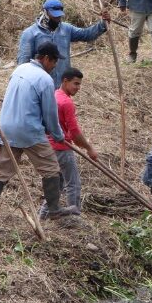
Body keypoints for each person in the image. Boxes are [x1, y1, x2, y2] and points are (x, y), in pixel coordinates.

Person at [0, 42, 70, 222]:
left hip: (6, 127)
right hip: (29, 131)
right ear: (46, 59)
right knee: (51, 170)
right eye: (54, 61)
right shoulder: (45, 79)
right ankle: (54, 210)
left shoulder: (20, 69)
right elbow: (49, 113)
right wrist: (58, 135)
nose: (55, 66)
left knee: (1, 172)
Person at [41, 67, 97, 228]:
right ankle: (75, 218)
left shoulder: (53, 97)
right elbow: (74, 132)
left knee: (56, 185)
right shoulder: (66, 102)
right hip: (62, 148)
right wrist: (89, 148)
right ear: (65, 81)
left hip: (48, 146)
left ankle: (43, 217)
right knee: (72, 183)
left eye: (79, 85)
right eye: (75, 84)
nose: (78, 88)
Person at [17, 0, 110, 87]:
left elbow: (86, 34)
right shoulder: (30, 33)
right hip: (40, 85)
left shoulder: (66, 29)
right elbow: (23, 64)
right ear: (45, 12)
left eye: (59, 16)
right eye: (54, 16)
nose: (57, 19)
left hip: (62, 86)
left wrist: (103, 24)